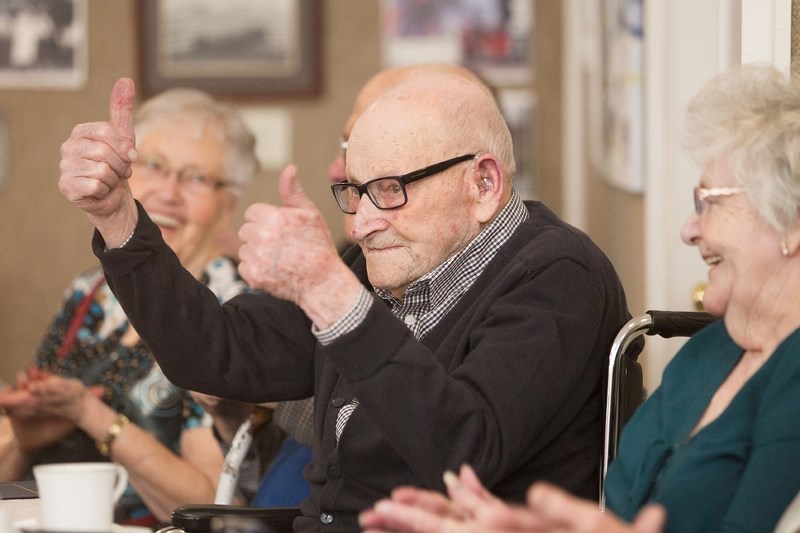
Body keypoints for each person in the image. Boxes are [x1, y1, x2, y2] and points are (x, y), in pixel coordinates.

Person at [58, 69, 631, 532]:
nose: (362, 225)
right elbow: (213, 353)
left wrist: (332, 297)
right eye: (354, 194)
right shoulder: (377, 262)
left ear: (483, 183)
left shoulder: (558, 276)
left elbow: (466, 454)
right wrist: (117, 218)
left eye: (390, 190)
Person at [357, 62, 800, 533]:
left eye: (709, 202)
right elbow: (619, 515)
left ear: (790, 223)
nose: (689, 230)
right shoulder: (703, 359)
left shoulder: (791, 375)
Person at [0, 87, 307, 525]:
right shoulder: (89, 292)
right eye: (154, 166)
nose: (167, 192)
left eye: (196, 178)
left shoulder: (234, 310)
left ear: (230, 203)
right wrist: (27, 439)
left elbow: (215, 504)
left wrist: (90, 415)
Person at [327, 62, 489, 250]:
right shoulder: (346, 260)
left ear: (480, 182)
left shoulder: (525, 273)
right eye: (347, 145)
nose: (336, 170)